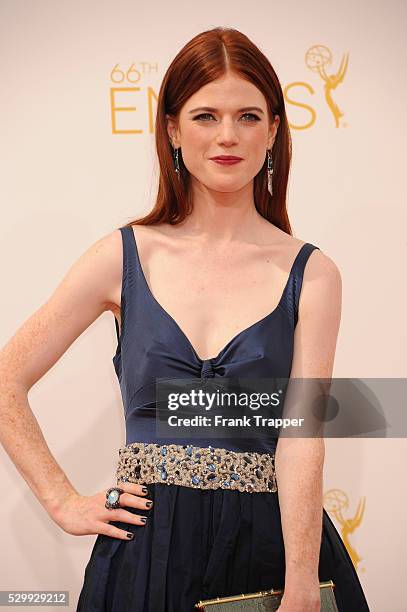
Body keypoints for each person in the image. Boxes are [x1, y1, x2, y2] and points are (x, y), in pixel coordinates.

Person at [0, 27, 370, 612]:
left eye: (248, 116)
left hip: (270, 549)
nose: (228, 136)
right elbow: (6, 380)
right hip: (147, 547)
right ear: (172, 128)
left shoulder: (314, 274)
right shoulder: (118, 257)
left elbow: (303, 439)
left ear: (274, 129)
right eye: (205, 116)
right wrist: (61, 500)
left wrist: (302, 576)